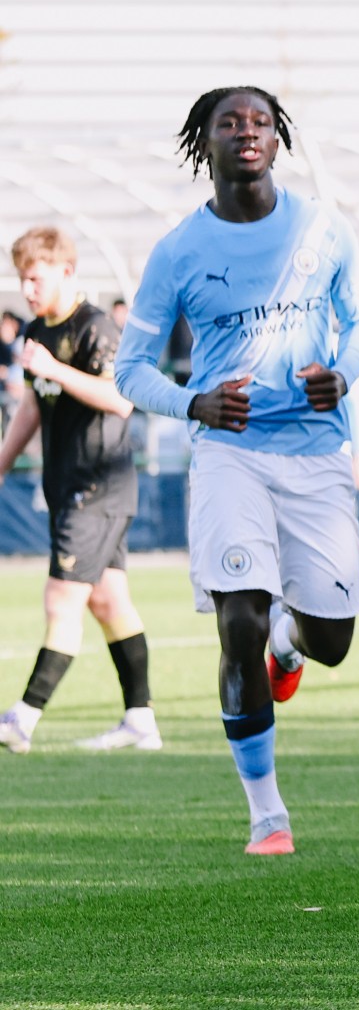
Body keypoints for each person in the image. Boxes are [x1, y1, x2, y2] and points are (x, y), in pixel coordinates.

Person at [116, 86, 359, 855]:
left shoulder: (324, 230)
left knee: (333, 641)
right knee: (239, 620)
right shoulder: (178, 251)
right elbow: (131, 369)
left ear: (277, 138)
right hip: (229, 453)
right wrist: (193, 403)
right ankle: (268, 815)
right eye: (229, 122)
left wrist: (343, 372)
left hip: (316, 452)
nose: (246, 132)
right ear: (206, 142)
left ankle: (290, 645)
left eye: (259, 121)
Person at [0, 228, 158, 754]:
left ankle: (21, 719)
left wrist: (56, 370)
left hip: (97, 488)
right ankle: (140, 719)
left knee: (61, 600)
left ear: (66, 272)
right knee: (109, 602)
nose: (27, 289)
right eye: (22, 279)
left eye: (35, 278)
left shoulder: (94, 328)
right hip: (68, 486)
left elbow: (120, 399)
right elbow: (32, 405)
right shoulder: (36, 331)